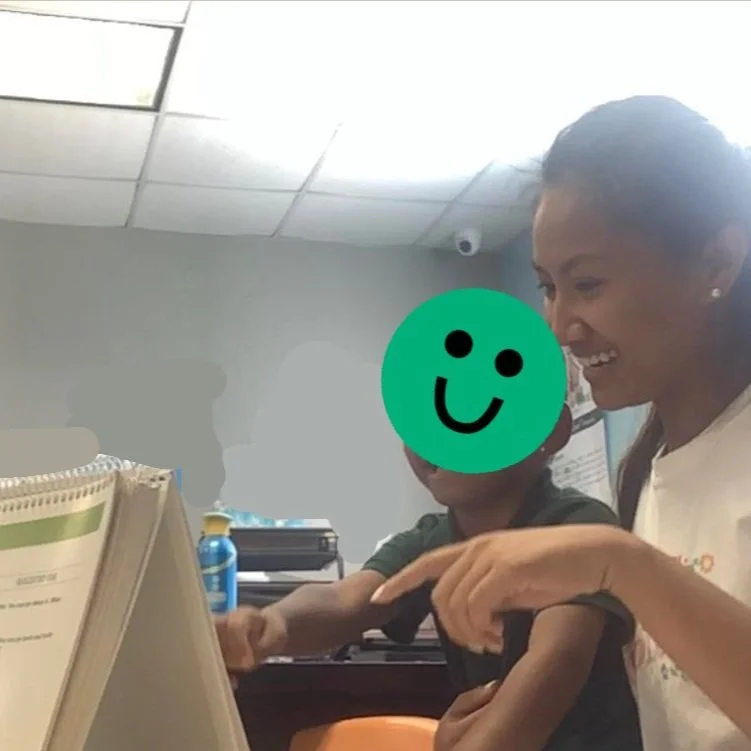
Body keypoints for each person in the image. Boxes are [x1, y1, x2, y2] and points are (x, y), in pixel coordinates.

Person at [373, 95, 751, 750]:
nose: (559, 327)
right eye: (549, 287)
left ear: (716, 263)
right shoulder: (644, 476)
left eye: (589, 283)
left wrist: (620, 564)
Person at [215, 406, 643, 750]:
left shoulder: (578, 526)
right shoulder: (430, 540)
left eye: (469, 407)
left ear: (550, 430)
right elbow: (349, 599)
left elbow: (556, 662)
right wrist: (275, 624)